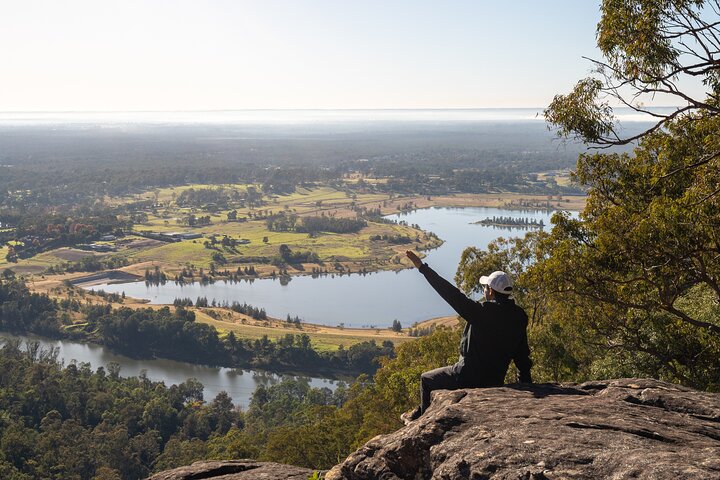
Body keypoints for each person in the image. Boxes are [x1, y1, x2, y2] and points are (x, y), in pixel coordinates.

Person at [401, 250, 532, 425]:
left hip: (466, 376)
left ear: (491, 292)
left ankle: (422, 422)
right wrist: (526, 381)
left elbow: (450, 293)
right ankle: (419, 412)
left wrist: (422, 268)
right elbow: (521, 351)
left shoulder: (481, 313)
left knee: (427, 379)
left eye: (486, 287)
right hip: (494, 379)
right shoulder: (519, 316)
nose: (484, 290)